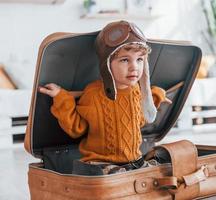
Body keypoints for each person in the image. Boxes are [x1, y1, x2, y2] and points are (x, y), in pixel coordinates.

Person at [39, 20, 171, 175]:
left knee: (161, 170)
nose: (134, 66)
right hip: (99, 165)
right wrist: (61, 98)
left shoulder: (136, 91)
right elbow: (76, 128)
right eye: (124, 60)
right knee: (113, 177)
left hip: (132, 163)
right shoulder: (93, 94)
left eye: (139, 59)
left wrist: (154, 94)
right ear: (107, 64)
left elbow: (140, 119)